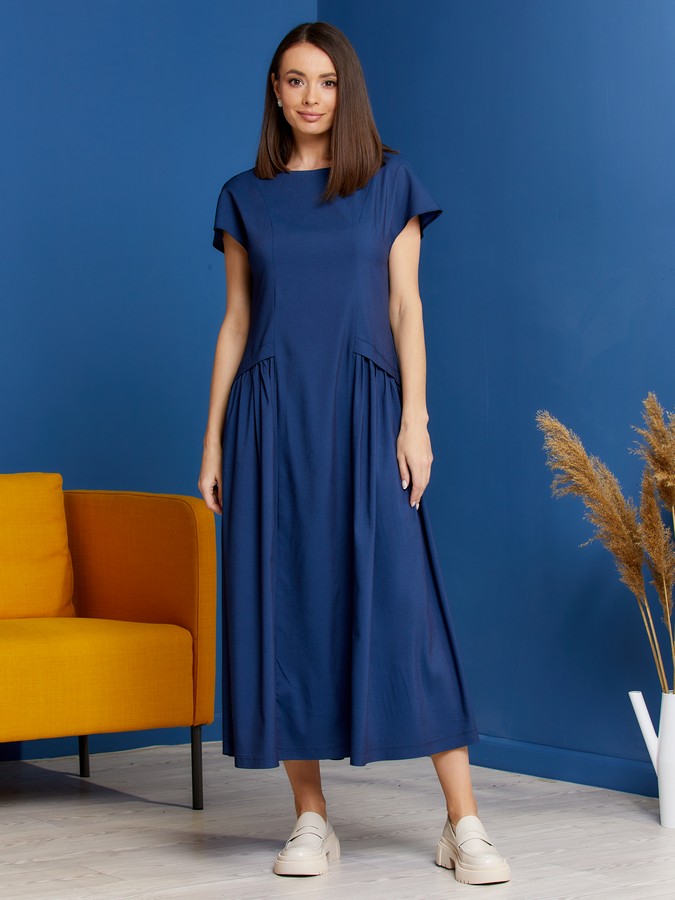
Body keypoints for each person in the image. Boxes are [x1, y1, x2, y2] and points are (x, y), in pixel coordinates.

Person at [199, 20, 510, 886]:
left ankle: (463, 823)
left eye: (327, 81)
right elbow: (235, 322)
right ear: (274, 91)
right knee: (284, 604)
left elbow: (405, 306)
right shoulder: (243, 197)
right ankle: (310, 817)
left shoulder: (387, 182)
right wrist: (212, 438)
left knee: (407, 607)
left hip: (367, 413)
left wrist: (415, 419)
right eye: (295, 80)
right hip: (270, 419)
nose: (311, 96)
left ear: (347, 91)